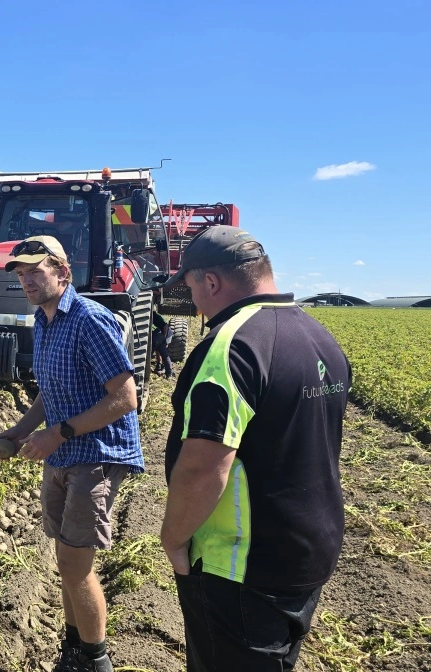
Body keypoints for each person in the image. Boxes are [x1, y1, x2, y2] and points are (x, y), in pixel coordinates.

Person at [158, 226, 349, 671]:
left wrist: (173, 538)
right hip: (308, 549)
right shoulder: (319, 337)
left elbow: (203, 469)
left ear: (211, 282)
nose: (194, 303)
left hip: (240, 566)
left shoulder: (231, 348)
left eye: (190, 289)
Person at [0, 235, 143, 672]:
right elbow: (51, 388)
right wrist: (23, 430)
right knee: (65, 561)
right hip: (63, 455)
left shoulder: (89, 320)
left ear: (62, 271)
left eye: (34, 271)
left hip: (94, 455)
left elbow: (125, 397)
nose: (26, 281)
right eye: (21, 274)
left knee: (76, 567)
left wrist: (55, 435)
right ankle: (73, 650)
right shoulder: (44, 320)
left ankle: (97, 662)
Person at [151, 310, 174, 378]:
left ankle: (164, 368)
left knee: (149, 355)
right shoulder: (153, 318)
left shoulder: (155, 317)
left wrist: (165, 338)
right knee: (163, 353)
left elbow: (165, 326)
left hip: (163, 334)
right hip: (159, 335)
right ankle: (166, 371)